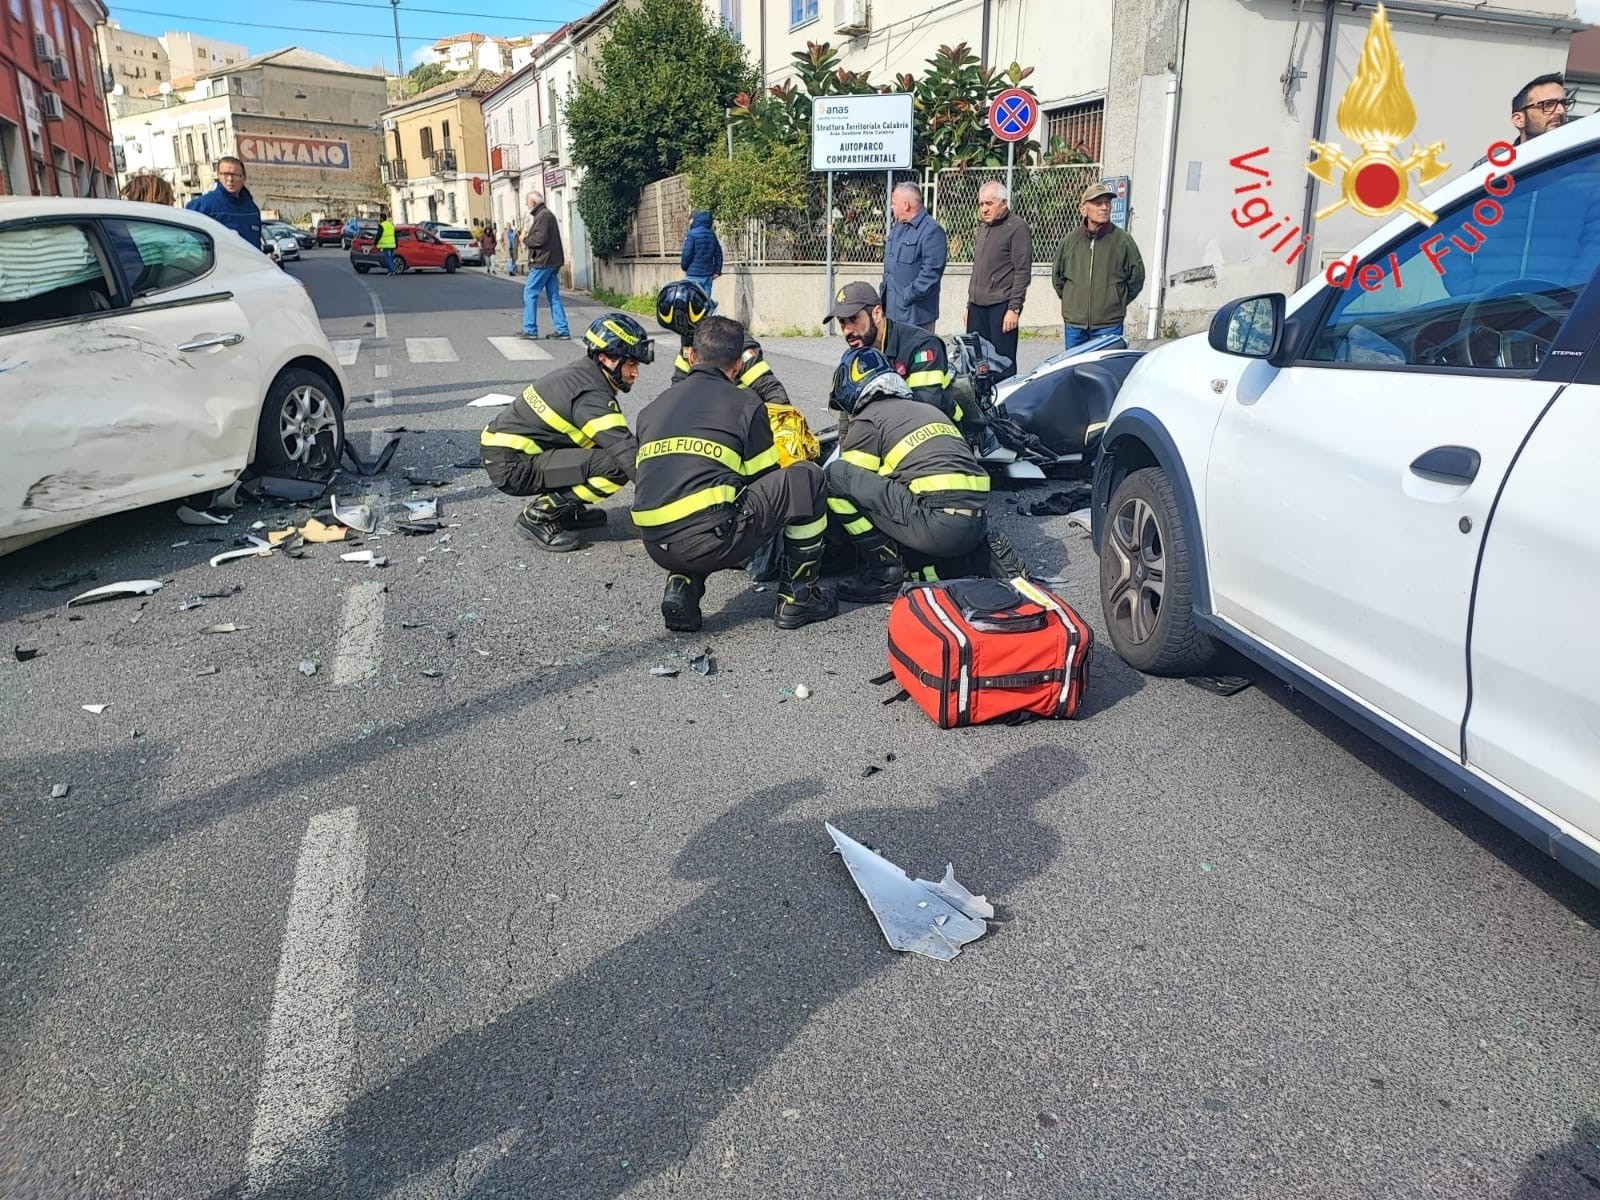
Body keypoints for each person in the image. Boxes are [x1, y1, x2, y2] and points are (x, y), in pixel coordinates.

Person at [632, 315, 837, 634]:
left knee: (696, 496)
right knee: (805, 480)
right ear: (739, 365)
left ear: (691, 357)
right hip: (707, 542)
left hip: (655, 544)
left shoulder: (655, 407)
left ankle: (683, 586)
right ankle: (798, 598)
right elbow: (765, 480)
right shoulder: (746, 405)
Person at [824, 348, 997, 601]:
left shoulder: (868, 420)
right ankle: (955, 561)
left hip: (937, 529)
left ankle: (885, 573)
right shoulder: (926, 410)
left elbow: (854, 489)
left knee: (836, 474)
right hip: (977, 526)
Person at [479, 312, 653, 552]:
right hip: (513, 466)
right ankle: (539, 516)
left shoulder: (585, 373)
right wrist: (667, 500)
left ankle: (566, 510)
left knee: (599, 445)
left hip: (512, 454)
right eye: (631, 364)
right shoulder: (591, 396)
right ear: (606, 358)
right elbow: (626, 454)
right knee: (615, 466)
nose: (635, 373)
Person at [825, 281, 960, 423]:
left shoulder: (922, 347)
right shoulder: (856, 355)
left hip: (940, 433)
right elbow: (847, 413)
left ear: (877, 314)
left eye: (854, 319)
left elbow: (924, 410)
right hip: (891, 429)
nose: (847, 330)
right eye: (842, 322)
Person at [1052, 181, 1145, 348]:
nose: (1104, 207)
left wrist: (1116, 300)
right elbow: (1058, 278)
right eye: (1097, 203)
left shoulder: (1122, 241)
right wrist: (1072, 303)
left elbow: (1136, 278)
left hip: (1108, 325)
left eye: (1107, 203)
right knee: (1073, 371)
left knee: (1105, 371)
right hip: (1075, 326)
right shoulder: (1070, 242)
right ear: (1083, 209)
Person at [966, 181, 1033, 381]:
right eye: (981, 204)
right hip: (977, 308)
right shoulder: (984, 228)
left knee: (1002, 365)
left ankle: (1004, 406)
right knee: (976, 364)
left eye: (989, 203)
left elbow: (1022, 271)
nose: (984, 209)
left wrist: (1014, 308)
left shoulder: (1017, 228)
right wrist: (969, 305)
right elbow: (978, 270)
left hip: (1001, 308)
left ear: (1003, 203)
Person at [880, 182, 948, 333]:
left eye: (894, 203)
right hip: (891, 312)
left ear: (906, 205)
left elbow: (930, 274)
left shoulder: (931, 231)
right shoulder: (898, 228)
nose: (891, 207)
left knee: (917, 356)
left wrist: (906, 296)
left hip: (916, 316)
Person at [518, 190, 570, 340]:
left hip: (543, 262)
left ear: (533, 202)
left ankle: (530, 329)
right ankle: (562, 330)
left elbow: (539, 240)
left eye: (527, 202)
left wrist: (525, 239)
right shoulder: (547, 214)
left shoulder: (542, 216)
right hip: (553, 261)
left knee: (530, 292)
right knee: (553, 296)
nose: (526, 205)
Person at [185, 156, 263, 250]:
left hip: (251, 263)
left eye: (235, 174)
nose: (230, 179)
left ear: (244, 177)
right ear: (218, 175)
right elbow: (189, 245)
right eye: (225, 174)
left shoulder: (252, 209)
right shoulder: (202, 206)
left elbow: (257, 246)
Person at [680, 210, 723, 298]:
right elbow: (718, 254)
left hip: (693, 274)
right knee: (704, 302)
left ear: (695, 220)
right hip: (708, 275)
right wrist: (717, 271)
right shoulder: (712, 235)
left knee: (691, 302)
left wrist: (684, 267)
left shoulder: (692, 234)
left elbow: (687, 254)